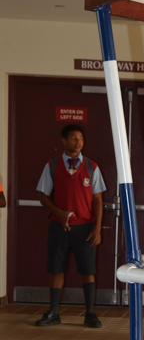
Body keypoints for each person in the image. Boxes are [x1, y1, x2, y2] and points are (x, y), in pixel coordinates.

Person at [35, 124, 106, 328]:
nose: (78, 142)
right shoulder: (52, 165)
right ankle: (53, 313)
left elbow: (98, 200)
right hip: (59, 227)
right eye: (74, 138)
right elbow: (43, 196)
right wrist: (59, 212)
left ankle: (90, 314)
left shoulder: (92, 166)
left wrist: (97, 229)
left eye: (81, 138)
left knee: (88, 271)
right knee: (56, 269)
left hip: (85, 228)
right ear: (64, 141)